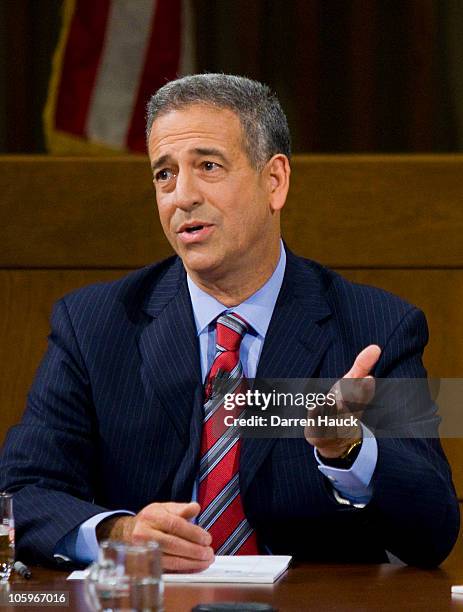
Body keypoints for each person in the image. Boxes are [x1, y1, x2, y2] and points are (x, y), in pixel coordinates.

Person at [0, 74, 459, 570]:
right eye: (164, 175)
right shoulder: (94, 326)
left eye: (208, 166)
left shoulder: (374, 328)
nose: (182, 196)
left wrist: (350, 450)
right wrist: (119, 532)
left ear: (275, 181)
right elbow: (22, 493)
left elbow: (433, 531)